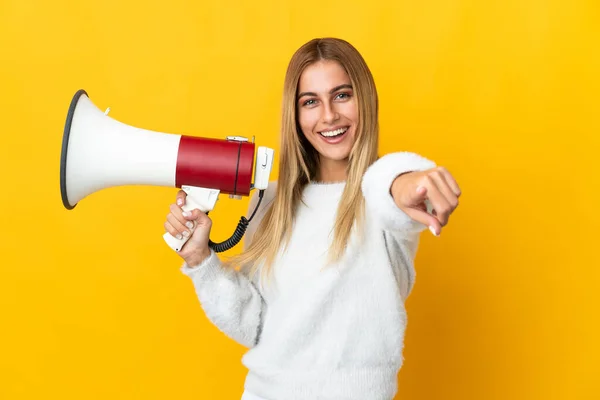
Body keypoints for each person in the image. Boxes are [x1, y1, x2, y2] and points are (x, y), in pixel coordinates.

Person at [164, 37, 461, 400]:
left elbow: (390, 185)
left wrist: (410, 181)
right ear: (295, 113)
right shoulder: (270, 201)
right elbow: (255, 325)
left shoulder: (381, 195)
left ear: (364, 99)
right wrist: (200, 260)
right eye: (310, 102)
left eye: (342, 95)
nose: (329, 116)